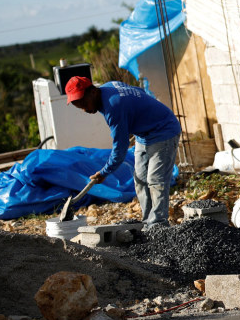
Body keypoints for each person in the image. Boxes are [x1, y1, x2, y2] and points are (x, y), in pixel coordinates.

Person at [66, 75, 182, 229]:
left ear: (93, 91)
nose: (85, 109)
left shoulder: (113, 107)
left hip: (163, 131)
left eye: (84, 103)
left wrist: (104, 172)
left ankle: (159, 224)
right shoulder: (109, 86)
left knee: (156, 180)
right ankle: (148, 222)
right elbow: (139, 91)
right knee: (140, 180)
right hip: (143, 135)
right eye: (80, 107)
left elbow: (120, 150)